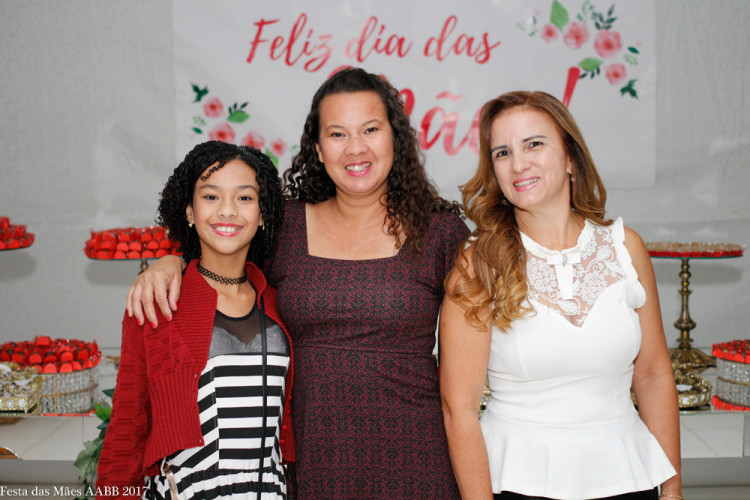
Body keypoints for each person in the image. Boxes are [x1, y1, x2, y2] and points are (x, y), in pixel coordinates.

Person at [126, 68, 469, 499]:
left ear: (395, 140)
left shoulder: (441, 233)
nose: (355, 147)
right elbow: (222, 256)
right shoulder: (285, 227)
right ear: (319, 149)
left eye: (370, 129)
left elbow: (465, 388)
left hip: (417, 463)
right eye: (338, 134)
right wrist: (172, 261)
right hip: (310, 465)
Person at [440, 91, 682, 500]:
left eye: (533, 144)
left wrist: (673, 490)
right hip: (518, 483)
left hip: (629, 479)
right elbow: (458, 408)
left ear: (571, 158)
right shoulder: (479, 261)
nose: (518, 164)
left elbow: (654, 376)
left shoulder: (626, 248)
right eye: (502, 153)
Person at [97, 142, 294, 499]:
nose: (228, 210)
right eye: (211, 196)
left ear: (263, 213)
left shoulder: (282, 305)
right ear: (190, 210)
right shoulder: (157, 304)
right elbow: (126, 432)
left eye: (245, 198)